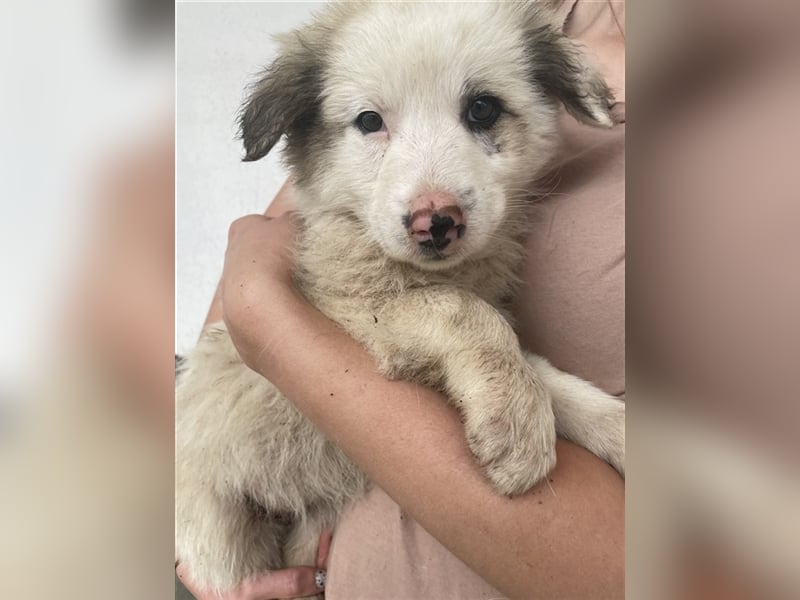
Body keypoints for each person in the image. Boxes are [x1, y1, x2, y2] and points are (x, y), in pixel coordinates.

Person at [177, 1, 625, 597]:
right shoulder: (435, 25)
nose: (431, 202)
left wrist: (608, 428)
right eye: (371, 122)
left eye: (481, 111)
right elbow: (262, 291)